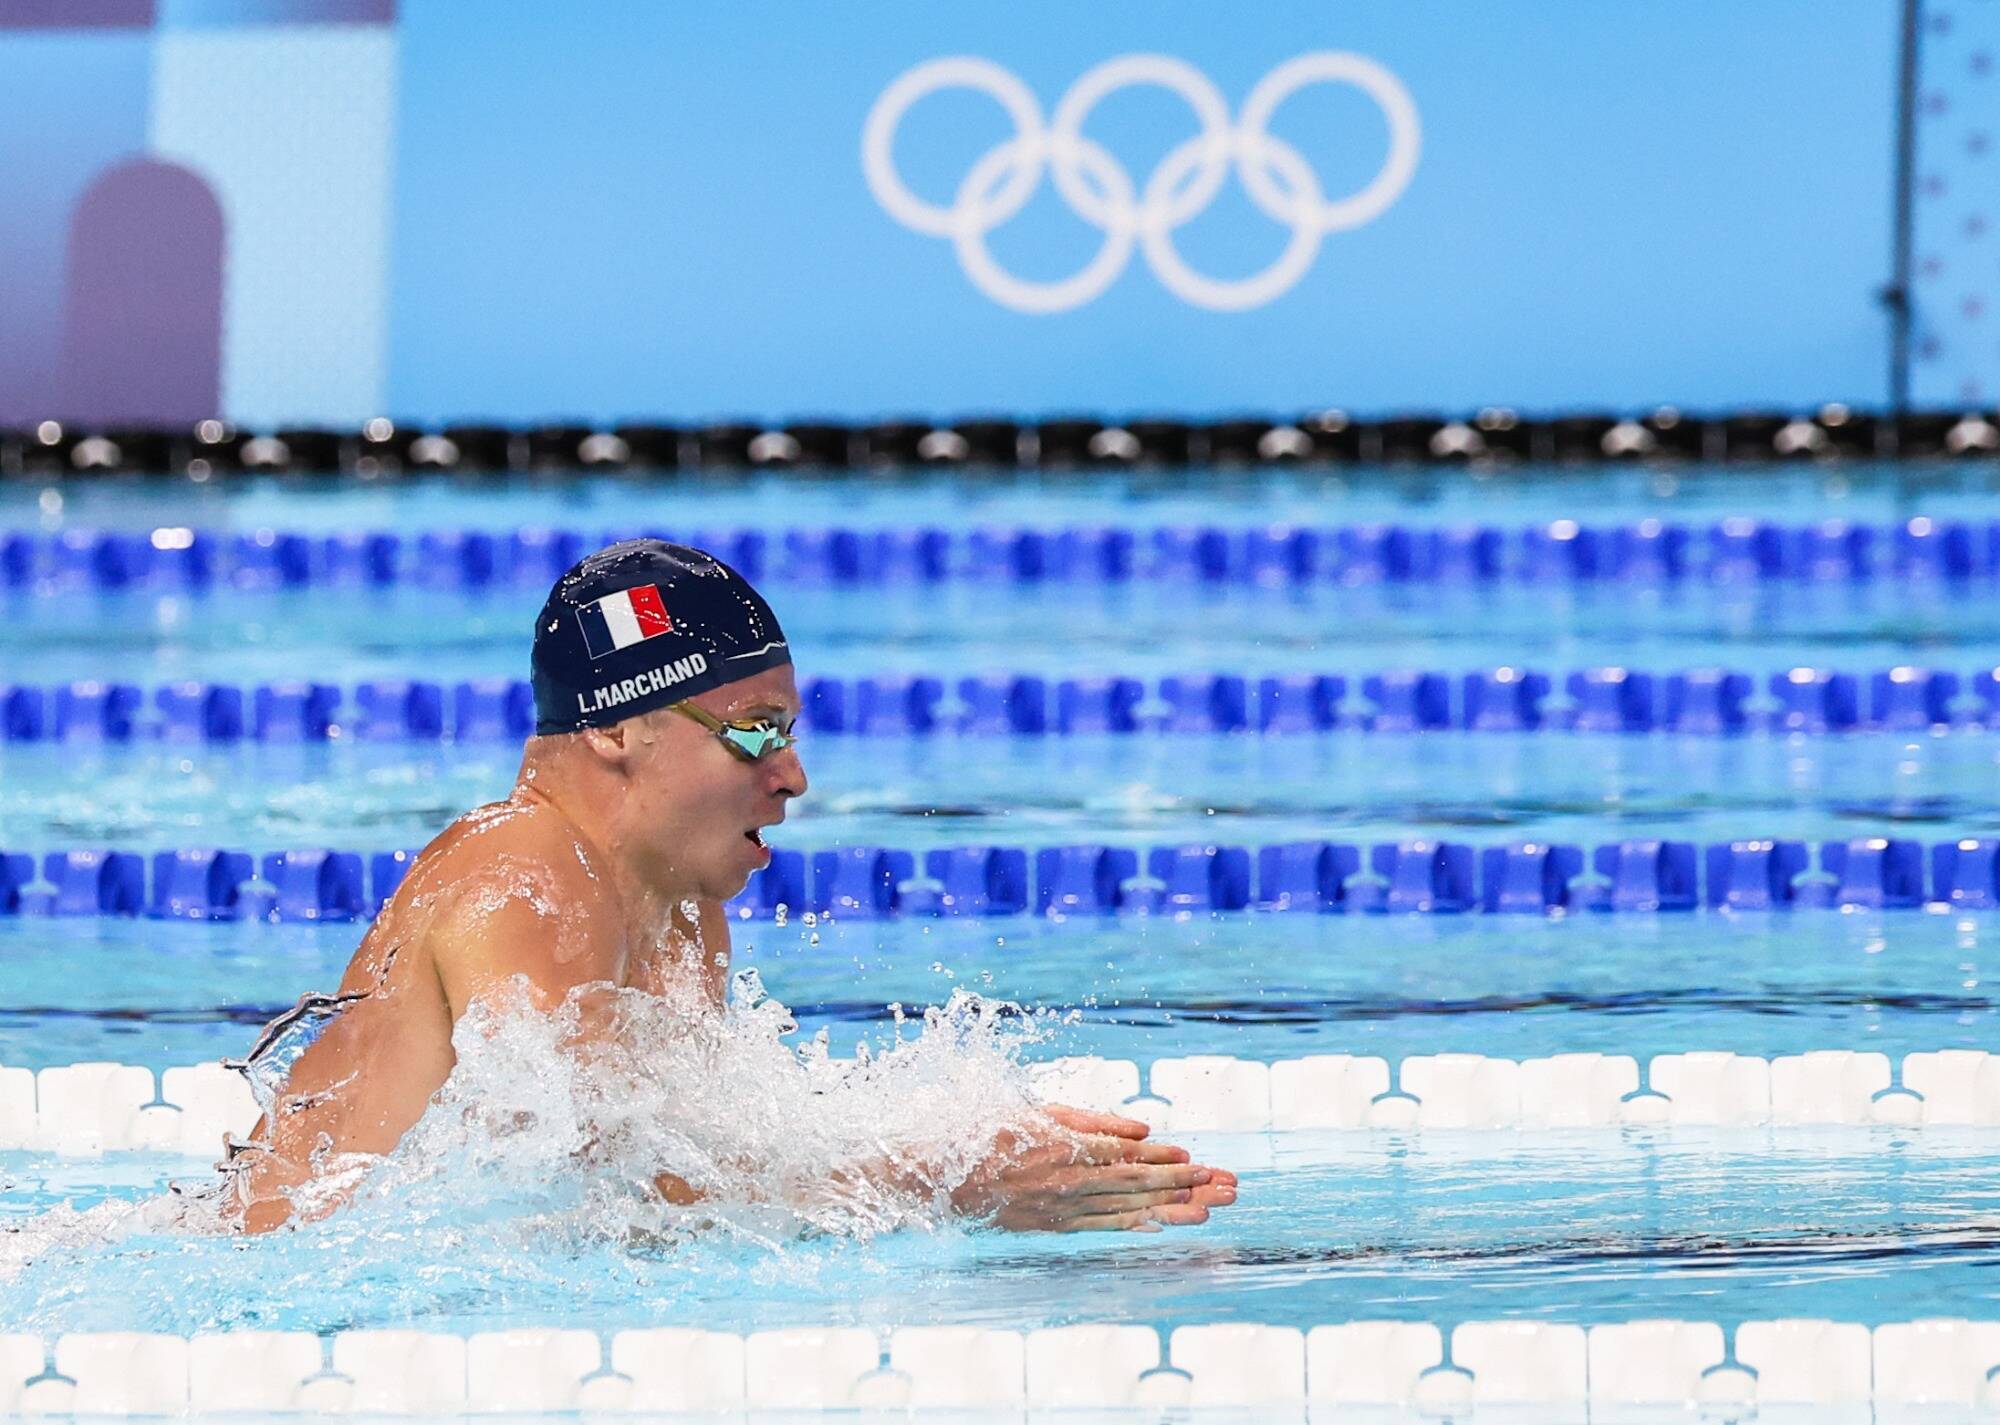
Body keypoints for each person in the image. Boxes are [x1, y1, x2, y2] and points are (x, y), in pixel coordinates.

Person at [227, 539, 1237, 1234]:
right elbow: (583, 1194)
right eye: (754, 732)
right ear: (617, 729)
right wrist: (944, 1184)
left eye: (787, 734)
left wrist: (970, 1149)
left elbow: (688, 1184)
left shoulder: (679, 911)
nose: (792, 775)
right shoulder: (525, 872)